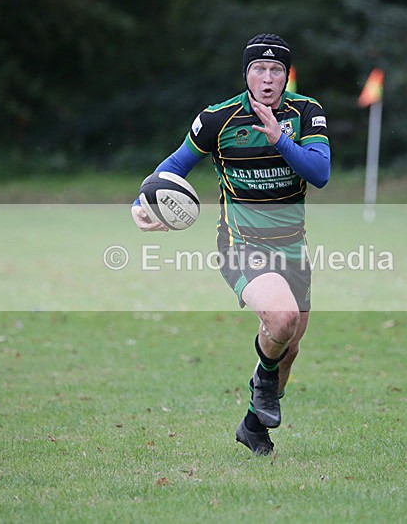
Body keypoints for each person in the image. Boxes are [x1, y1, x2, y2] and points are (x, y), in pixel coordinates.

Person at [131, 33, 330, 455]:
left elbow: (320, 172)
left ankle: (253, 427)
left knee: (289, 347)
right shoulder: (218, 119)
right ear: (246, 75)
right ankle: (262, 381)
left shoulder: (306, 113)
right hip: (241, 244)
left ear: (286, 76)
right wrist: (141, 202)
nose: (269, 77)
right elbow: (175, 165)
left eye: (277, 70)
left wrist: (280, 138)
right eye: (259, 69)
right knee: (280, 319)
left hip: (293, 247)